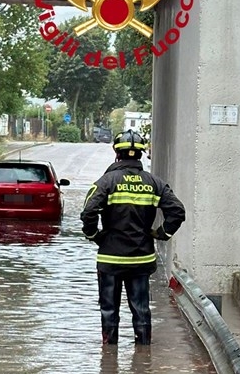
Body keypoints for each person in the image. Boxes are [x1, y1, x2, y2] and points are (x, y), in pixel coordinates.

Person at [80, 130, 186, 345]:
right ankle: (143, 352)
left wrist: (95, 236)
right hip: (141, 259)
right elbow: (177, 211)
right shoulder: (154, 183)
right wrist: (160, 234)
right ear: (141, 155)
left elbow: (88, 212)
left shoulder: (106, 182)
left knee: (109, 309)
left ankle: (109, 356)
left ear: (117, 154)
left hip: (110, 259)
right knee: (141, 308)